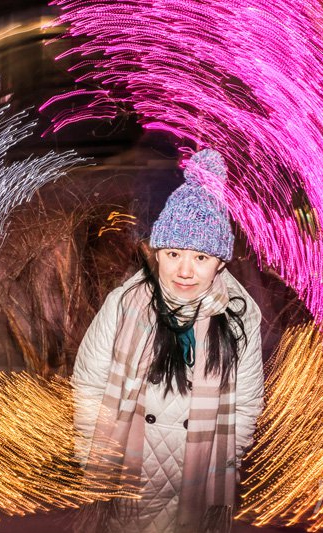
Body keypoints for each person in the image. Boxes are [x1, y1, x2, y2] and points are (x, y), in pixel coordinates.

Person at [72, 149, 264, 533]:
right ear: (156, 253)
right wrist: (92, 454)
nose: (185, 271)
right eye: (174, 253)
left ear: (220, 263)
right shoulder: (127, 304)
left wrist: (225, 462)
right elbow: (89, 382)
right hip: (128, 471)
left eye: (201, 257)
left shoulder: (241, 317)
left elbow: (246, 403)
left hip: (198, 476)